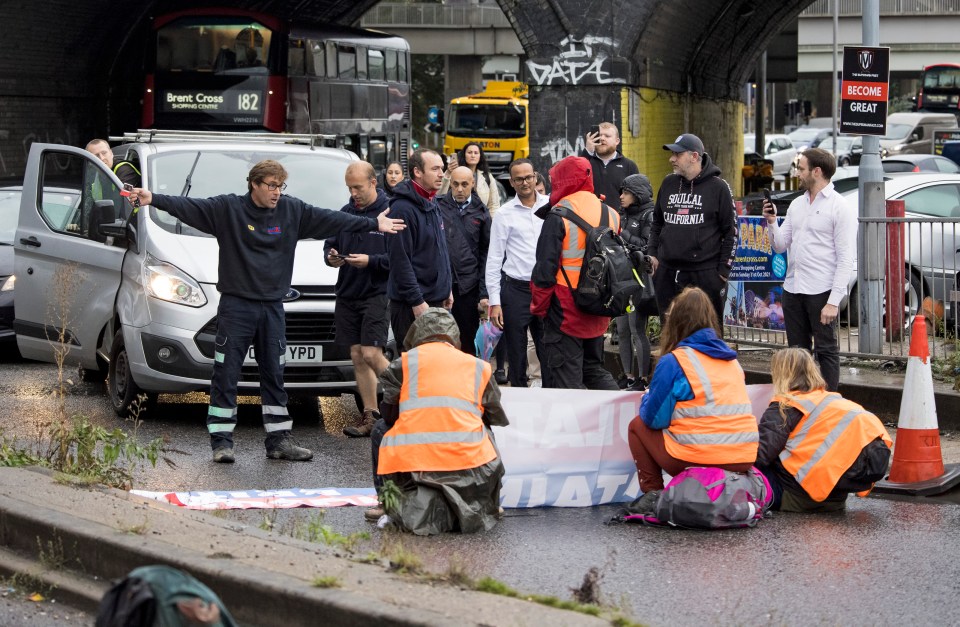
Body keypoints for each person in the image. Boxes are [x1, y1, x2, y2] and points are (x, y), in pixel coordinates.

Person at [129, 160, 405, 463]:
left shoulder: (292, 211)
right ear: (254, 184)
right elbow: (188, 206)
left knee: (274, 374)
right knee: (226, 373)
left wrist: (371, 224)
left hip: (273, 307)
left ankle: (279, 441)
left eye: (280, 186)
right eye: (271, 186)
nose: (276, 192)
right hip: (237, 307)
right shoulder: (228, 210)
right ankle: (222, 442)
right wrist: (152, 198)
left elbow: (333, 219)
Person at [367, 308, 508, 535]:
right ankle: (492, 502)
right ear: (454, 335)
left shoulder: (403, 364)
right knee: (485, 429)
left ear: (417, 334)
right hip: (470, 466)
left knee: (379, 430)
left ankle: (385, 501)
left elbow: (389, 416)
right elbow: (495, 415)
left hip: (416, 463)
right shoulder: (479, 366)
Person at [627, 286, 758, 511]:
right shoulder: (732, 362)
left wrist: (647, 397)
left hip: (698, 457)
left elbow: (653, 420)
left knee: (637, 425)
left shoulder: (675, 361)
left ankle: (654, 495)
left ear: (676, 321)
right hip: (743, 457)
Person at [763, 148, 856, 391]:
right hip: (793, 288)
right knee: (797, 350)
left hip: (821, 289)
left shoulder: (839, 207)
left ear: (817, 171)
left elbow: (846, 258)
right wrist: (772, 223)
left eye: (801, 168)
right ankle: (801, 399)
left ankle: (830, 403)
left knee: (826, 350)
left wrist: (834, 301)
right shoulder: (797, 204)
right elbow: (781, 244)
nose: (797, 173)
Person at [756, 348, 892, 512]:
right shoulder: (832, 401)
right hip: (835, 498)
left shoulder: (786, 405)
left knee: (747, 465)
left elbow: (760, 455)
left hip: (797, 497)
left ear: (779, 374)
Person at [531, 155, 619, 390]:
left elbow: (544, 270)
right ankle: (616, 415)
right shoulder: (611, 213)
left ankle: (570, 425)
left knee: (566, 378)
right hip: (598, 304)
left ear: (563, 179)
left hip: (565, 308)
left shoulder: (558, 214)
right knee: (594, 369)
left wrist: (539, 308)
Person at [325, 161, 391, 438]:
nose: (354, 193)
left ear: (373, 182)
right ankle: (371, 415)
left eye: (358, 187)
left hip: (378, 291)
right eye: (350, 188)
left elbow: (401, 259)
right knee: (356, 355)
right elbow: (330, 244)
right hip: (348, 291)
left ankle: (412, 400)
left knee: (371, 353)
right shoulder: (345, 213)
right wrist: (331, 257)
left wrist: (371, 261)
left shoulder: (391, 211)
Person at [647, 133, 737, 326]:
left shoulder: (718, 188)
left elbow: (731, 232)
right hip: (668, 273)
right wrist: (653, 254)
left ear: (694, 156)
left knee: (707, 332)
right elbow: (657, 223)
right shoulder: (668, 183)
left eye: (677, 154)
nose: (672, 159)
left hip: (704, 274)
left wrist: (722, 271)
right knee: (671, 332)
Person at [485, 158, 549, 388]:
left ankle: (553, 401)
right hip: (515, 290)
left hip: (544, 288)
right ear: (511, 182)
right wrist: (495, 301)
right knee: (517, 353)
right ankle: (519, 404)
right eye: (519, 179)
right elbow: (494, 259)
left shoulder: (551, 206)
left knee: (548, 351)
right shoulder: (504, 214)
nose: (525, 182)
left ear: (535, 177)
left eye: (528, 177)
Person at [386, 149, 453, 352]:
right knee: (415, 371)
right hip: (413, 305)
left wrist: (446, 286)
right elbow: (400, 261)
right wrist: (417, 302)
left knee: (435, 369)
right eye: (435, 169)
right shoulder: (402, 209)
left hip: (435, 300)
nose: (441, 173)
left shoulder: (431, 202)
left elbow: (439, 248)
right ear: (417, 172)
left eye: (442, 168)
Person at [436, 166, 491, 354]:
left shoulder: (482, 212)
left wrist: (484, 292)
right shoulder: (437, 206)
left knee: (467, 341)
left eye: (465, 184)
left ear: (472, 184)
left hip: (468, 287)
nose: (459, 189)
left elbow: (487, 255)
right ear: (450, 183)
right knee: (440, 340)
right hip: (441, 285)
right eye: (456, 184)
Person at [616, 173, 657, 391]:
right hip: (621, 278)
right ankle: (627, 375)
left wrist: (622, 235)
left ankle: (642, 378)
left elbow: (647, 246)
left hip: (639, 278)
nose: (621, 197)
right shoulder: (623, 214)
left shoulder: (649, 215)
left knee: (635, 328)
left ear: (637, 194)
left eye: (626, 192)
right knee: (622, 328)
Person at [581, 122, 639, 212]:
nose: (602, 139)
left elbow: (637, 198)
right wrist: (587, 151)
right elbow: (575, 181)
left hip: (618, 221)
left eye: (607, 136)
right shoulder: (586, 162)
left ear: (617, 141)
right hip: (589, 220)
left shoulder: (629, 166)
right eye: (599, 136)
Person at [440, 142, 501, 214]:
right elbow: (440, 195)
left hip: (480, 221)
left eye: (476, 153)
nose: (473, 155)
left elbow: (494, 205)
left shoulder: (487, 176)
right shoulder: (455, 173)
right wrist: (448, 173)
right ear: (464, 155)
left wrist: (491, 223)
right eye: (469, 152)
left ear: (480, 156)